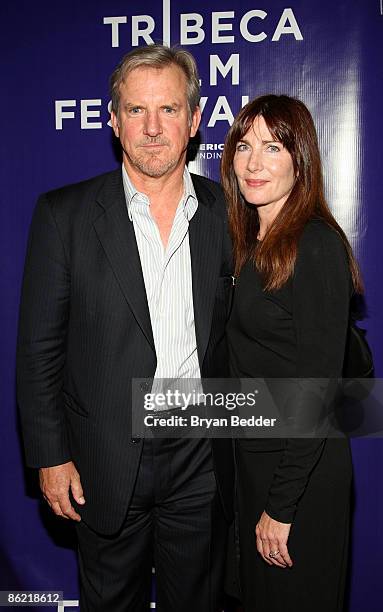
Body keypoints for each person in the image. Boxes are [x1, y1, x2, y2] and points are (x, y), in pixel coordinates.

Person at [17, 44, 234, 612]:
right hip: (104, 457)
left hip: (201, 454)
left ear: (194, 120)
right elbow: (38, 349)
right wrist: (49, 455)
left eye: (168, 110)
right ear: (113, 121)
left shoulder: (226, 213)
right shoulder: (63, 216)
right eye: (137, 111)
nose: (153, 128)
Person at [221, 94, 362, 611]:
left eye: (274, 147)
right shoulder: (249, 243)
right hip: (257, 466)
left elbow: (319, 389)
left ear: (299, 160)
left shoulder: (315, 244)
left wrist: (282, 507)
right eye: (245, 145)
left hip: (300, 479)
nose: (254, 162)